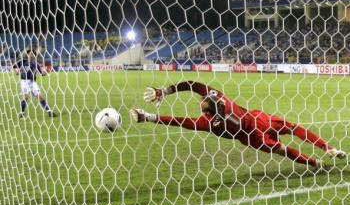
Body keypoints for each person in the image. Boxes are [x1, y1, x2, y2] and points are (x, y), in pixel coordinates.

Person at [130, 81, 346, 169]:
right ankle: (323, 155)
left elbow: (180, 121)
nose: (200, 101)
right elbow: (194, 86)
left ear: (209, 112)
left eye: (202, 104)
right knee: (292, 131)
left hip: (253, 135)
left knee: (284, 146)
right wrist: (165, 92)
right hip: (256, 122)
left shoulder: (211, 124)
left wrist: (151, 113)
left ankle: (317, 160)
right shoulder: (219, 99)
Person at [13, 49, 57, 119]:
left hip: (32, 82)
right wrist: (17, 71)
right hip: (24, 81)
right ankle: (22, 114)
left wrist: (48, 71)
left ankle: (49, 112)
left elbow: (42, 73)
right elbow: (14, 66)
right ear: (27, 54)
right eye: (30, 54)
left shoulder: (35, 64)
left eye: (33, 54)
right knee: (26, 96)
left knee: (40, 96)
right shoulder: (22, 62)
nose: (31, 55)